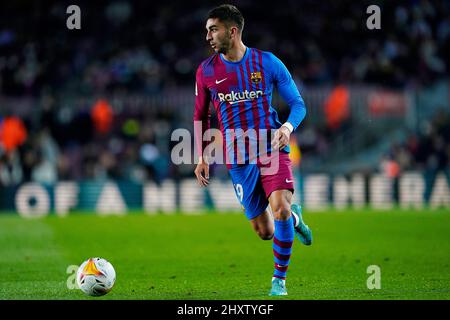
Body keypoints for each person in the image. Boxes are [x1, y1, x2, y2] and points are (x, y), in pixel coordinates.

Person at [193, 4, 312, 296]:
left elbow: (298, 104)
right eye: (207, 30)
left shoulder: (267, 62)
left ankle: (279, 282)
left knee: (279, 209)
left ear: (232, 31)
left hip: (271, 148)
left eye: (213, 29)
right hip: (237, 157)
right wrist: (202, 155)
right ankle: (296, 219)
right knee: (265, 231)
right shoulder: (206, 71)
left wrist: (286, 128)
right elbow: (201, 116)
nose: (207, 36)